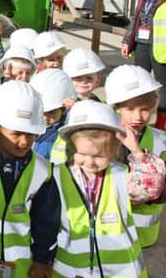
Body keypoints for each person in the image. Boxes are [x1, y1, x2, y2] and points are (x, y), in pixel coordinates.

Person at [53, 100, 165, 277]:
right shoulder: (56, 176)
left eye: (99, 156)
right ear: (71, 147)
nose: (90, 161)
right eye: (82, 154)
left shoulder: (121, 176)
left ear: (113, 149)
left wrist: (136, 151)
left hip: (123, 271)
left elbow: (151, 188)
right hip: (71, 270)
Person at [0, 81, 60, 277]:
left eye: (31, 134)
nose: (24, 141)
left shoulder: (43, 171)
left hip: (20, 267)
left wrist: (42, 261)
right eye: (16, 133)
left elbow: (46, 222)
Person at [105, 64, 166, 248]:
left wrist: (137, 151)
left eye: (145, 109)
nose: (138, 116)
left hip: (144, 237)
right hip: (109, 235)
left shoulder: (161, 140)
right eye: (130, 109)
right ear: (115, 108)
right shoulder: (103, 137)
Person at [122, 0, 166, 129]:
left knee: (162, 88)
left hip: (161, 48)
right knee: (140, 84)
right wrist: (128, 41)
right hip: (141, 44)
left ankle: (161, 126)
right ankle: (136, 120)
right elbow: (136, 19)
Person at [29, 68, 77, 161]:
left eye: (51, 112)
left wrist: (76, 110)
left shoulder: (67, 130)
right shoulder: (27, 126)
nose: (45, 117)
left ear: (63, 109)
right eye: (40, 112)